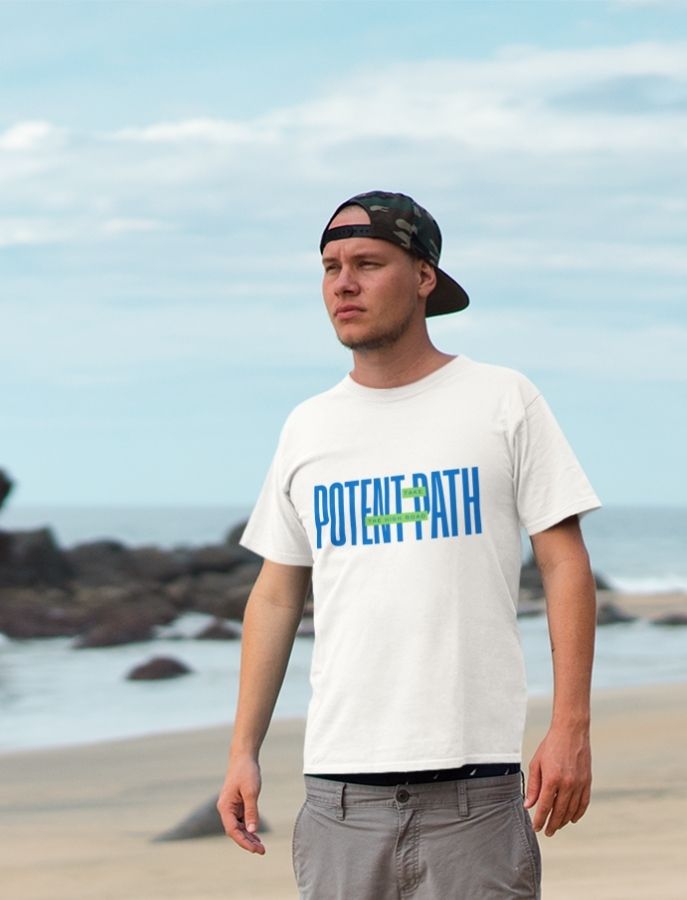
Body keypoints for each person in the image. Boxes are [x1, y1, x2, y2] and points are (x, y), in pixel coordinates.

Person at [217, 190, 601, 899]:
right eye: (331, 267)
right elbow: (275, 595)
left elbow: (563, 560)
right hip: (338, 799)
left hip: (475, 794)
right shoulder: (308, 427)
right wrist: (243, 751)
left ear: (423, 277)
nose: (345, 284)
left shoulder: (501, 399)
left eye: (368, 262)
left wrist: (569, 725)